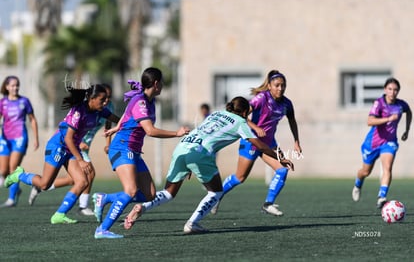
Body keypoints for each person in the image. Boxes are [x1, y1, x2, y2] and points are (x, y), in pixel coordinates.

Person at [123, 96, 294, 234]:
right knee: (216, 191)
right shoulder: (241, 122)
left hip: (183, 147)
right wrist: (281, 157)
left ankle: (142, 207)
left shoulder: (215, 114)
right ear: (243, 112)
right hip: (200, 154)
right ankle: (192, 223)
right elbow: (260, 145)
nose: (248, 117)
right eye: (247, 113)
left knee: (169, 193)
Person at [93, 67, 190, 239]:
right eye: (162, 83)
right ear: (156, 83)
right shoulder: (141, 102)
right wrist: (176, 133)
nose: (163, 86)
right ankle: (102, 229)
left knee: (149, 194)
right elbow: (150, 131)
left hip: (133, 151)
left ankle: (105, 198)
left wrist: (118, 126)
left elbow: (125, 115)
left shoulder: (148, 101)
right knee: (130, 191)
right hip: (122, 148)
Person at [4, 84, 119, 224]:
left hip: (71, 149)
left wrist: (134, 122)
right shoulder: (78, 111)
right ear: (92, 98)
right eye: (102, 99)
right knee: (45, 184)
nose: (106, 101)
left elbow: (118, 120)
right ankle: (19, 175)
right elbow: (67, 138)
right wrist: (80, 160)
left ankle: (59, 214)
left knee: (82, 181)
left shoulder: (100, 111)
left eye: (107, 98)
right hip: (58, 146)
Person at [211, 70, 302, 216]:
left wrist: (296, 142)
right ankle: (216, 197)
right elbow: (241, 115)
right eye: (277, 85)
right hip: (251, 141)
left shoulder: (287, 104)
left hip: (269, 143)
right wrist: (256, 127)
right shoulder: (261, 98)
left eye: (283, 86)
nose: (280, 88)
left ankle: (268, 204)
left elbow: (292, 121)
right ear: (270, 86)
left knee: (283, 169)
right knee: (239, 178)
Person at [352, 77, 411, 208]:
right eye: (390, 89)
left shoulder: (401, 105)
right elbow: (370, 121)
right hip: (373, 143)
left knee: (387, 167)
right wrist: (388, 119)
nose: (392, 92)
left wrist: (407, 130)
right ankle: (358, 184)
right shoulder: (379, 103)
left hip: (389, 142)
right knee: (365, 172)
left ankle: (382, 196)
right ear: (385, 89)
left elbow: (409, 112)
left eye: (395, 90)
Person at [0, 75, 39, 207]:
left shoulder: (24, 101)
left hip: (20, 138)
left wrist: (36, 138)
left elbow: (32, 119)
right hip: (5, 139)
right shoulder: (2, 103)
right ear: (6, 87)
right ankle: (16, 189)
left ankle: (11, 199)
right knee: (3, 171)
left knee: (13, 168)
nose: (15, 88)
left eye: (17, 85)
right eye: (12, 85)